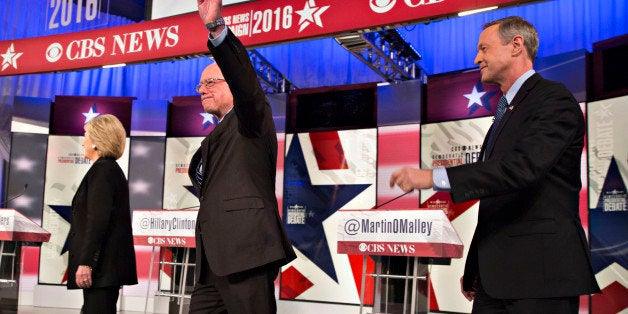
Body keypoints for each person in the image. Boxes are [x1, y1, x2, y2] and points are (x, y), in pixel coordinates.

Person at [390, 16, 599, 313]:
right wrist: (477, 266)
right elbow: (496, 201)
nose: (477, 58)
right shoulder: (506, 112)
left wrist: (433, 177)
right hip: (495, 279)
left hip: (540, 278)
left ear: (516, 46)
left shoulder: (553, 99)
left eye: (484, 49)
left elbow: (521, 169)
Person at [186, 0, 296, 312]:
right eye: (200, 84)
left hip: (246, 252)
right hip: (212, 261)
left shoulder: (252, 118)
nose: (202, 90)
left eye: (211, 82)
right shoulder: (216, 136)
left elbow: (246, 82)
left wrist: (216, 29)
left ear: (231, 85)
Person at [67, 114, 138, 313]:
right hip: (104, 268)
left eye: (86, 135)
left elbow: (98, 221)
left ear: (97, 142)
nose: (83, 143)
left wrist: (86, 262)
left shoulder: (103, 171)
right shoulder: (108, 170)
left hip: (101, 268)